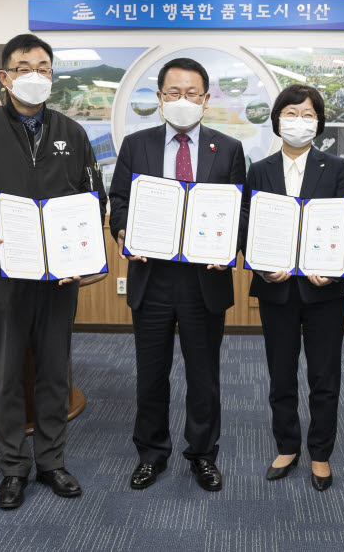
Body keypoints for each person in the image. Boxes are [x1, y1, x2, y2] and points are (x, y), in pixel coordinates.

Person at [0, 33, 106, 509]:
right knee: (8, 373)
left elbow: (90, 201)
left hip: (59, 278)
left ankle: (51, 461)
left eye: (43, 68)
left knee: (55, 371)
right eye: (24, 67)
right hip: (4, 271)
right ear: (4, 76)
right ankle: (14, 467)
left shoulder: (72, 133)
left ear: (51, 75)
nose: (34, 75)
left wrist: (82, 255)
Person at [108, 57, 246, 492]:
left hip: (204, 280)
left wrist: (230, 247)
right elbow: (120, 201)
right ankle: (151, 454)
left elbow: (239, 212)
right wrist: (122, 229)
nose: (182, 101)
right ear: (159, 98)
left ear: (205, 99)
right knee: (151, 373)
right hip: (152, 278)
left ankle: (203, 455)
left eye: (191, 94)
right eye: (173, 94)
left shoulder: (227, 149)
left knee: (203, 375)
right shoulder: (137, 145)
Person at [243, 85, 344, 491]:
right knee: (281, 374)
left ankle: (320, 452)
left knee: (325, 377)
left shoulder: (335, 167)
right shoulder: (260, 169)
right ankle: (287, 445)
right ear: (277, 120)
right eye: (291, 113)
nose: (299, 121)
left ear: (319, 123)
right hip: (277, 291)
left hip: (323, 292)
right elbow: (250, 227)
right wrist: (264, 268)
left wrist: (334, 268)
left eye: (308, 114)